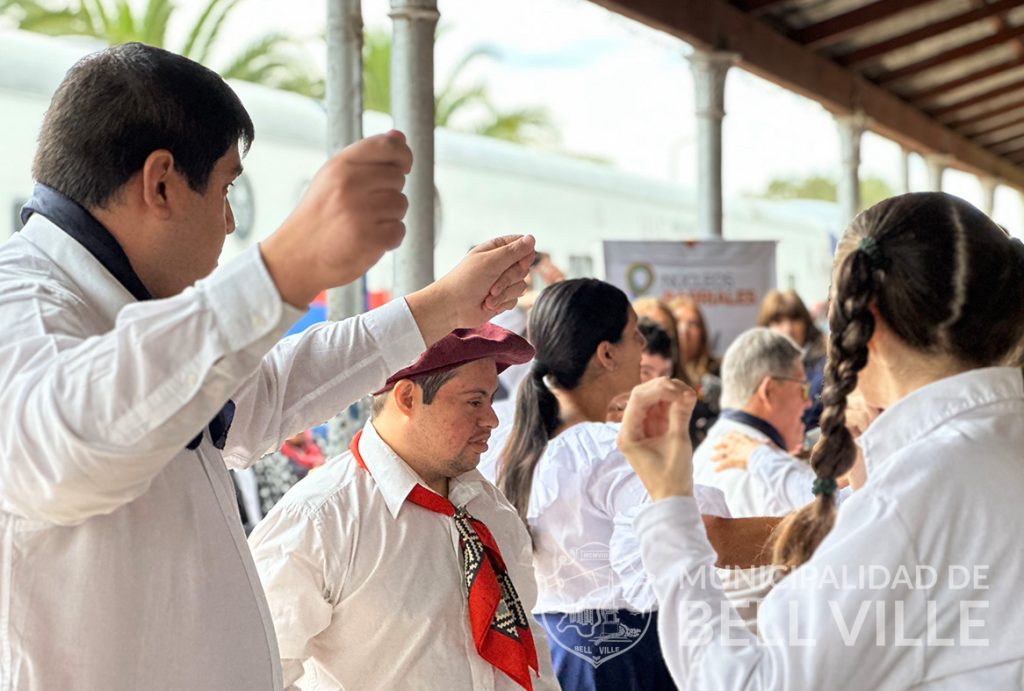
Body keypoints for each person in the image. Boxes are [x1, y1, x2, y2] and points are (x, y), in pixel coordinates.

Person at [0, 43, 535, 690]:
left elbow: (268, 390)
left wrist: (443, 306)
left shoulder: (121, 314)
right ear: (161, 182)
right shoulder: (22, 301)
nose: (230, 222)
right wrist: (286, 265)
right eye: (226, 188)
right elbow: (59, 451)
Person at [618, 192, 1024, 689]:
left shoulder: (915, 492)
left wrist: (670, 509)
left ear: (866, 319)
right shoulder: (970, 456)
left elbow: (751, 683)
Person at [249, 324, 558, 690]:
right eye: (474, 401)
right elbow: (255, 669)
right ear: (408, 398)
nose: (491, 419)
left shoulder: (489, 511)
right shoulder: (320, 519)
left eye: (491, 401)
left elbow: (527, 651)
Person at [496, 279, 737, 691]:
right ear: (606, 354)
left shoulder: (511, 441)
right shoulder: (606, 447)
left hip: (550, 652)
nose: (643, 345)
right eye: (635, 334)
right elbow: (703, 532)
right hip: (628, 657)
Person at [692, 327, 821, 518]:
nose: (808, 401)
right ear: (768, 391)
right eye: (803, 388)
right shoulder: (770, 477)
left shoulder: (702, 456)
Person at [756, 289, 826, 429]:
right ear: (766, 327)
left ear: (806, 323)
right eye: (778, 321)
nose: (788, 328)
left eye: (794, 319)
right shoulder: (758, 369)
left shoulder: (825, 366)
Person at [638, 317, 715, 445]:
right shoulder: (605, 416)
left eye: (664, 374)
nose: (657, 383)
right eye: (646, 372)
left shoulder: (688, 415)